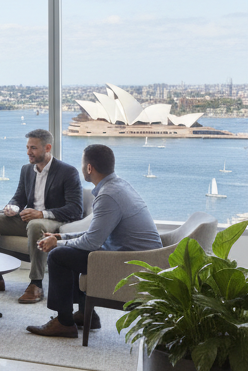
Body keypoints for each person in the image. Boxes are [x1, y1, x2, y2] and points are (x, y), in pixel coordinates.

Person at [27, 144, 162, 338]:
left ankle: (64, 323)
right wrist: (61, 237)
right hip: (139, 255)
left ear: (89, 168)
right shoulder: (118, 185)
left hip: (133, 263)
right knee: (69, 252)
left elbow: (91, 243)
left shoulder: (107, 195)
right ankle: (85, 314)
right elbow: (95, 233)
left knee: (59, 256)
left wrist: (58, 244)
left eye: (82, 164)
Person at [0, 129, 83, 303]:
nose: (28, 152)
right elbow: (19, 197)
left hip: (53, 222)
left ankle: (36, 284)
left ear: (48, 147)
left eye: (33, 148)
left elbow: (76, 209)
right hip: (29, 220)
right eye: (27, 147)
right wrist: (12, 207)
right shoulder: (27, 170)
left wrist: (41, 213)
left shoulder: (68, 172)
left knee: (36, 225)